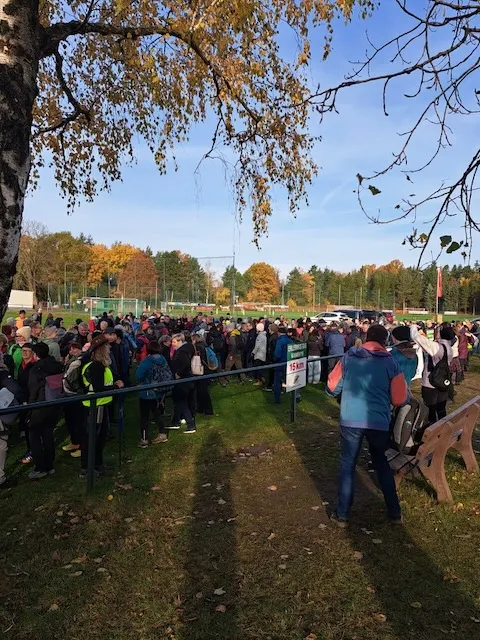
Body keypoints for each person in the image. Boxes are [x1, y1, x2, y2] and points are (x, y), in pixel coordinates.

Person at [327, 324, 408, 527]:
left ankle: (342, 514)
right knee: (381, 463)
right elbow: (400, 398)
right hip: (378, 420)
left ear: (366, 337)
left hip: (351, 419)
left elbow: (332, 387)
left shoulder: (349, 357)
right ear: (385, 340)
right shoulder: (390, 362)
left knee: (348, 465)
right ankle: (394, 512)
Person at [80, 335, 123, 476]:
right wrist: (115, 387)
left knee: (100, 437)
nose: (110, 347)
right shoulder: (96, 366)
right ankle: (88, 467)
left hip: (101, 405)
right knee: (93, 438)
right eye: (107, 346)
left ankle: (97, 464)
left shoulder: (101, 364)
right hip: (94, 406)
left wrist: (115, 383)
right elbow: (99, 388)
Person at [27, 342, 64, 480]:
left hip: (40, 404)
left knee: (34, 435)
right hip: (54, 403)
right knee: (48, 433)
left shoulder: (36, 369)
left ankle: (40, 467)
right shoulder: (56, 365)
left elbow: (33, 390)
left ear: (35, 354)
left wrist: (29, 409)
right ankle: (50, 465)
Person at [410, 323, 454, 425]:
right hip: (442, 382)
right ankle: (443, 428)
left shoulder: (436, 347)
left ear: (440, 334)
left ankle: (431, 430)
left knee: (430, 410)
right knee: (441, 409)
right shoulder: (449, 348)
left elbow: (416, 337)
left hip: (430, 382)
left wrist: (413, 327)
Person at [135, 341, 172, 447]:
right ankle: (162, 434)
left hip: (147, 392)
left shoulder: (147, 361)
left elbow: (138, 376)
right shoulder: (163, 359)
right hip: (160, 391)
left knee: (144, 417)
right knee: (157, 414)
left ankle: (144, 439)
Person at [166, 333, 196, 433]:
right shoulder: (186, 348)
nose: (172, 344)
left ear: (180, 341)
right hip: (186, 379)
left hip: (183, 379)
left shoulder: (182, 351)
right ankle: (175, 421)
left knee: (181, 401)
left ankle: (190, 425)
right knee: (179, 400)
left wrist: (179, 373)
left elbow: (186, 364)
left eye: (174, 342)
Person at [62, 342, 85, 458]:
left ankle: (81, 446)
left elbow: (72, 379)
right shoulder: (72, 360)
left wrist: (72, 388)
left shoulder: (79, 361)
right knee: (70, 420)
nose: (71, 352)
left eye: (72, 350)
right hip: (69, 394)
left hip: (75, 394)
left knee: (78, 422)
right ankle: (75, 442)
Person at [192, 333, 214, 416]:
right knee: (201, 391)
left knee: (202, 391)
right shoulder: (204, 345)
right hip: (205, 370)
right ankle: (202, 408)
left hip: (200, 370)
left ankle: (207, 410)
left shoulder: (198, 347)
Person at [273, 327, 293, 404]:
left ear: (278, 333)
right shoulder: (290, 341)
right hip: (289, 363)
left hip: (280, 363)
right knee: (290, 380)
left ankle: (277, 399)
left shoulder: (279, 341)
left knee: (277, 381)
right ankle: (295, 395)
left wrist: (274, 360)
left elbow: (277, 354)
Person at [252, 322, 267, 386]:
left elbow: (257, 346)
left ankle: (259, 380)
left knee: (258, 368)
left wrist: (253, 352)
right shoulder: (264, 335)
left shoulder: (260, 336)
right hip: (263, 354)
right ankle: (262, 379)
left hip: (259, 355)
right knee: (260, 368)